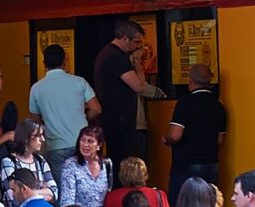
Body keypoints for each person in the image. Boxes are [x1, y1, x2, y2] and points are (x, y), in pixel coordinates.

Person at [90, 21, 154, 168]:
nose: (138, 46)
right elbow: (138, 86)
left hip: (116, 118)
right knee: (122, 160)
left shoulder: (108, 54)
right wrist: (137, 62)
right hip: (118, 119)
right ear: (125, 38)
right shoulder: (115, 56)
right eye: (136, 42)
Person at [26, 45, 97, 163]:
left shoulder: (36, 88)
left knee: (60, 181)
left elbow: (36, 121)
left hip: (55, 146)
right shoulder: (79, 82)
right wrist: (84, 118)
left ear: (44, 63)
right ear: (65, 61)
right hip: (82, 141)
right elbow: (96, 109)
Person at [166, 65, 225, 191]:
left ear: (190, 81)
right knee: (209, 205)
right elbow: (220, 140)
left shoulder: (185, 103)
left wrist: (166, 138)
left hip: (187, 164)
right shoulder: (219, 106)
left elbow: (175, 135)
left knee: (184, 205)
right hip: (211, 163)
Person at [58, 126, 112, 207]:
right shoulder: (70, 165)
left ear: (99, 145)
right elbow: (67, 201)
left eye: (90, 141)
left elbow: (109, 193)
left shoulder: (107, 164)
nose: (85, 144)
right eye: (82, 140)